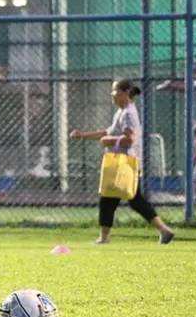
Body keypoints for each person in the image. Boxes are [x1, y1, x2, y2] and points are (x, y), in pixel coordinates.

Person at [70, 79, 174, 245]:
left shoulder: (128, 114)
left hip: (124, 163)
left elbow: (129, 139)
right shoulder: (122, 112)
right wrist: (83, 135)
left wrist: (110, 141)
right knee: (129, 199)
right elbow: (108, 132)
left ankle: (105, 238)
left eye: (115, 91)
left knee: (111, 198)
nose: (112, 95)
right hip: (121, 163)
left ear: (125, 93)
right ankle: (163, 230)